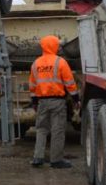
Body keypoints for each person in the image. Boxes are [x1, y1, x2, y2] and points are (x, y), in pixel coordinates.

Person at [29, 35, 79, 168]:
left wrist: (34, 102)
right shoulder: (60, 62)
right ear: (55, 46)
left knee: (41, 129)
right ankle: (56, 160)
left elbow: (32, 86)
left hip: (42, 103)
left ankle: (38, 158)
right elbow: (70, 83)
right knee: (57, 130)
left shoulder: (36, 63)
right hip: (57, 102)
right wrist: (76, 99)